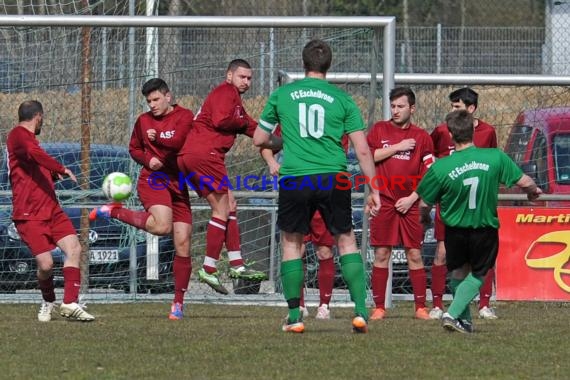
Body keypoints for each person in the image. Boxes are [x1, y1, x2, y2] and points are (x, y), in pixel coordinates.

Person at [253, 39, 380, 333]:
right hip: (333, 176)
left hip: (296, 176)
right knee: (346, 240)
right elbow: (362, 150)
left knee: (292, 243)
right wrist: (374, 188)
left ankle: (296, 316)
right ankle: (360, 311)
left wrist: (282, 141)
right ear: (328, 65)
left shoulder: (282, 95)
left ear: (304, 62)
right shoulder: (343, 99)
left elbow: (260, 139)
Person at [415, 109, 541, 333]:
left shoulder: (441, 167)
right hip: (483, 228)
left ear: (451, 135)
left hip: (454, 230)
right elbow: (525, 181)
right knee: (479, 274)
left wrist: (425, 220)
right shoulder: (494, 157)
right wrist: (532, 192)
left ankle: (464, 322)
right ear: (473, 130)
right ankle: (452, 314)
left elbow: (424, 203)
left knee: (457, 274)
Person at [89, 78, 193, 320]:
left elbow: (179, 141)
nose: (152, 105)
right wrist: (148, 160)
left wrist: (158, 140)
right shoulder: (143, 122)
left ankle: (178, 303)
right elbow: (134, 149)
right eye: (148, 101)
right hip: (153, 180)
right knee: (162, 226)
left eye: (156, 99)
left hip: (178, 184)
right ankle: (115, 211)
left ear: (168, 96)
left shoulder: (184, 116)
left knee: (184, 244)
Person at [177, 59, 267, 295]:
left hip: (194, 155)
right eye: (242, 77)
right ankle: (209, 267)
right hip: (204, 154)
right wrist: (244, 125)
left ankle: (237, 264)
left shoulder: (234, 101)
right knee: (220, 210)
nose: (246, 82)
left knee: (230, 204)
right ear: (229, 76)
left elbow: (250, 127)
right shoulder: (225, 92)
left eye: (249, 78)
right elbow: (221, 120)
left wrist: (278, 136)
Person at [6, 100, 94, 322]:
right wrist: (60, 168)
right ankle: (48, 300)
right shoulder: (17, 135)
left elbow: (34, 164)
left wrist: (51, 175)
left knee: (74, 248)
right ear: (39, 117)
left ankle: (70, 303)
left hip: (51, 209)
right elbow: (33, 154)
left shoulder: (31, 143)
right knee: (46, 264)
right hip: (28, 214)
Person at [428, 87, 499, 320]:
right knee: (441, 253)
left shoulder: (488, 132)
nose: (452, 111)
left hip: (479, 206)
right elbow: (429, 156)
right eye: (451, 106)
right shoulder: (442, 130)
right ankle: (438, 304)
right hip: (450, 203)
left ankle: (483, 304)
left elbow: (492, 164)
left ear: (471, 109)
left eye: (457, 107)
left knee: (481, 261)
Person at [366, 87, 434, 321]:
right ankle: (378, 307)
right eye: (392, 106)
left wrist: (413, 198)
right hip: (384, 202)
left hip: (411, 203)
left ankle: (420, 308)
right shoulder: (379, 130)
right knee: (382, 253)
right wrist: (397, 147)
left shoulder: (422, 137)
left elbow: (429, 173)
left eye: (400, 106)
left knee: (414, 254)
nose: (395, 110)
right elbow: (368, 156)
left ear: (412, 108)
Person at [260, 142, 336, 320]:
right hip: (295, 192)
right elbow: (264, 144)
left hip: (322, 191)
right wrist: (272, 162)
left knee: (324, 251)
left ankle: (324, 306)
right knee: (295, 250)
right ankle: (299, 305)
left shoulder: (329, 119)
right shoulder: (289, 118)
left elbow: (339, 150)